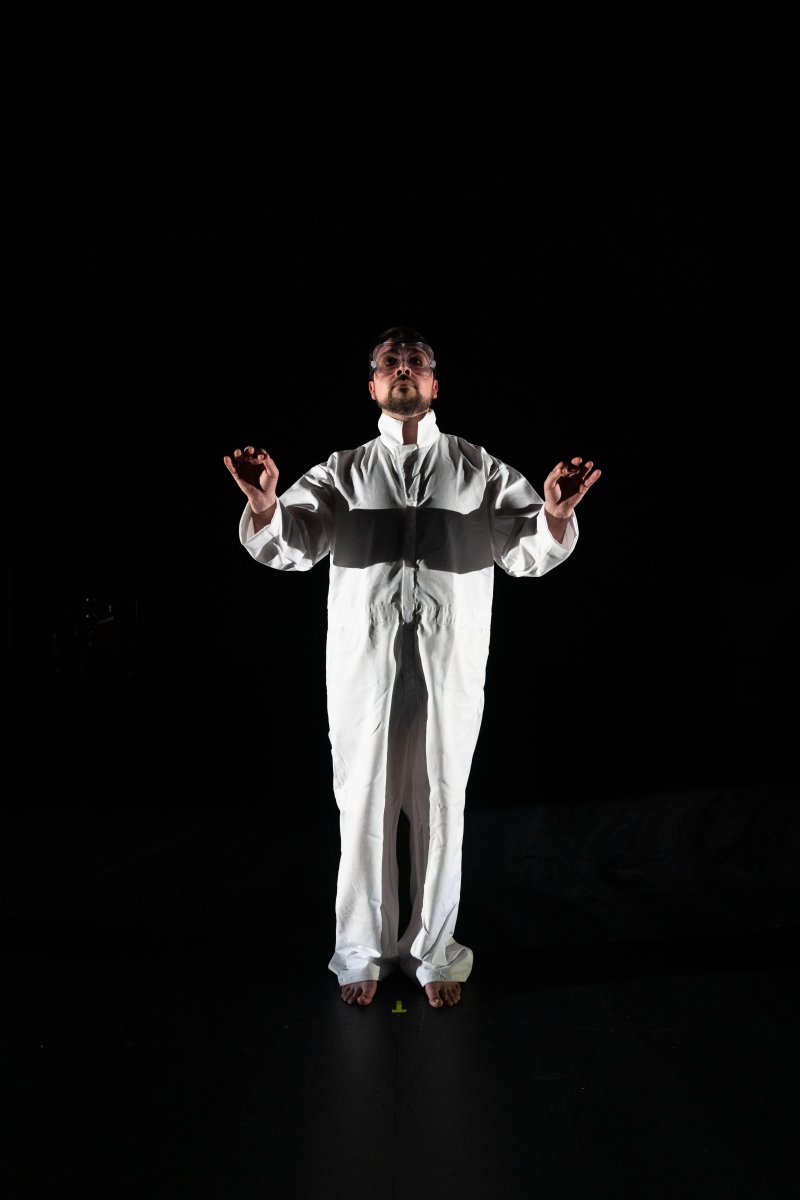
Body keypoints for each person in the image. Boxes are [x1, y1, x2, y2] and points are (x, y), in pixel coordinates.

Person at [223, 326, 601, 1009]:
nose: (404, 369)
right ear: (372, 386)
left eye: (416, 362)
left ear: (434, 385)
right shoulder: (343, 470)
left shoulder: (477, 467)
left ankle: (434, 954)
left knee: (440, 800)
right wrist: (264, 505)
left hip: (449, 663)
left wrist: (550, 514)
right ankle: (360, 951)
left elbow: (525, 553)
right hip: (362, 664)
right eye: (391, 362)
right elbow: (292, 546)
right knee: (363, 799)